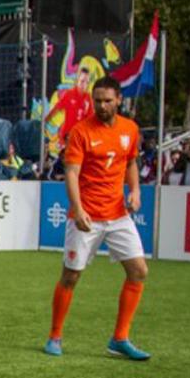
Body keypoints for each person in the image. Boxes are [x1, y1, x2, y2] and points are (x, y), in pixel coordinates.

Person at [45, 76, 150, 361]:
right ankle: (55, 335)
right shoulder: (80, 131)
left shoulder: (130, 129)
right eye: (97, 100)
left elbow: (130, 162)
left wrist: (136, 191)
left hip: (118, 215)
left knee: (139, 271)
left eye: (107, 100)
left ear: (119, 100)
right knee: (71, 275)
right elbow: (71, 173)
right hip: (87, 215)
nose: (101, 106)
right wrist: (77, 209)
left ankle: (120, 338)